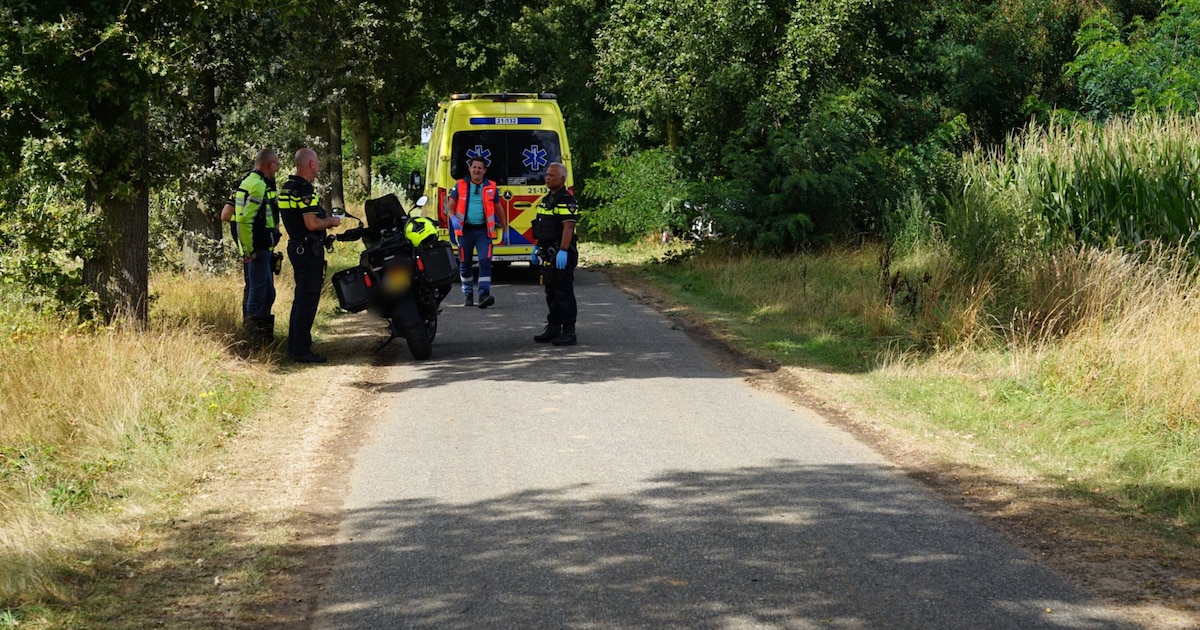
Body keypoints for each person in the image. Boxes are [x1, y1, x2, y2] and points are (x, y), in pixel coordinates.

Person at [278, 147, 341, 363]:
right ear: (311, 164)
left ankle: (296, 344)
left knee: (301, 298)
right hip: (308, 250)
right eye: (317, 162)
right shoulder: (304, 190)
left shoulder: (286, 187)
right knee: (308, 299)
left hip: (296, 246)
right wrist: (330, 222)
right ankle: (301, 350)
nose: (319, 166)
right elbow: (312, 223)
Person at [233, 149, 282, 348]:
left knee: (267, 292)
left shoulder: (252, 182)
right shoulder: (257, 185)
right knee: (258, 291)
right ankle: (253, 342)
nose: (278, 169)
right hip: (258, 248)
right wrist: (248, 249)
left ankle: (263, 339)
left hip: (264, 247)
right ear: (270, 164)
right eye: (277, 165)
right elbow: (243, 220)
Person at [530, 162, 579, 346]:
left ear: (562, 179)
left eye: (552, 175)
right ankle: (553, 327)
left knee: (563, 293)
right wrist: (536, 247)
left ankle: (569, 331)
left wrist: (564, 251)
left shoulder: (567, 200)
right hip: (547, 252)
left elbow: (568, 227)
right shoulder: (545, 199)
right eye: (547, 175)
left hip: (561, 252)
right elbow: (542, 228)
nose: (547, 177)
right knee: (551, 292)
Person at [448, 156, 506, 308]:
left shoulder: (492, 187)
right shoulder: (459, 185)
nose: (477, 170)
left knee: (485, 261)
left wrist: (505, 229)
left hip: (483, 232)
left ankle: (483, 295)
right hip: (465, 231)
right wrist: (453, 219)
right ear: (469, 168)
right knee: (465, 264)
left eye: (480, 168)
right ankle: (468, 293)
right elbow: (450, 206)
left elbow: (499, 209)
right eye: (474, 167)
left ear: (485, 170)